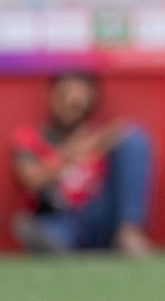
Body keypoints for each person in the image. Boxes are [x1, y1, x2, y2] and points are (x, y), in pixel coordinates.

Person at [10, 72, 155, 256]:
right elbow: (30, 180)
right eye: (64, 97)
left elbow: (127, 136)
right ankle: (53, 243)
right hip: (59, 215)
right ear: (50, 96)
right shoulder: (29, 138)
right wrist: (69, 156)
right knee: (44, 229)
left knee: (133, 138)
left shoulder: (100, 137)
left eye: (78, 103)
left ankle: (129, 231)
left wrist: (100, 141)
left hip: (98, 215)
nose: (71, 106)